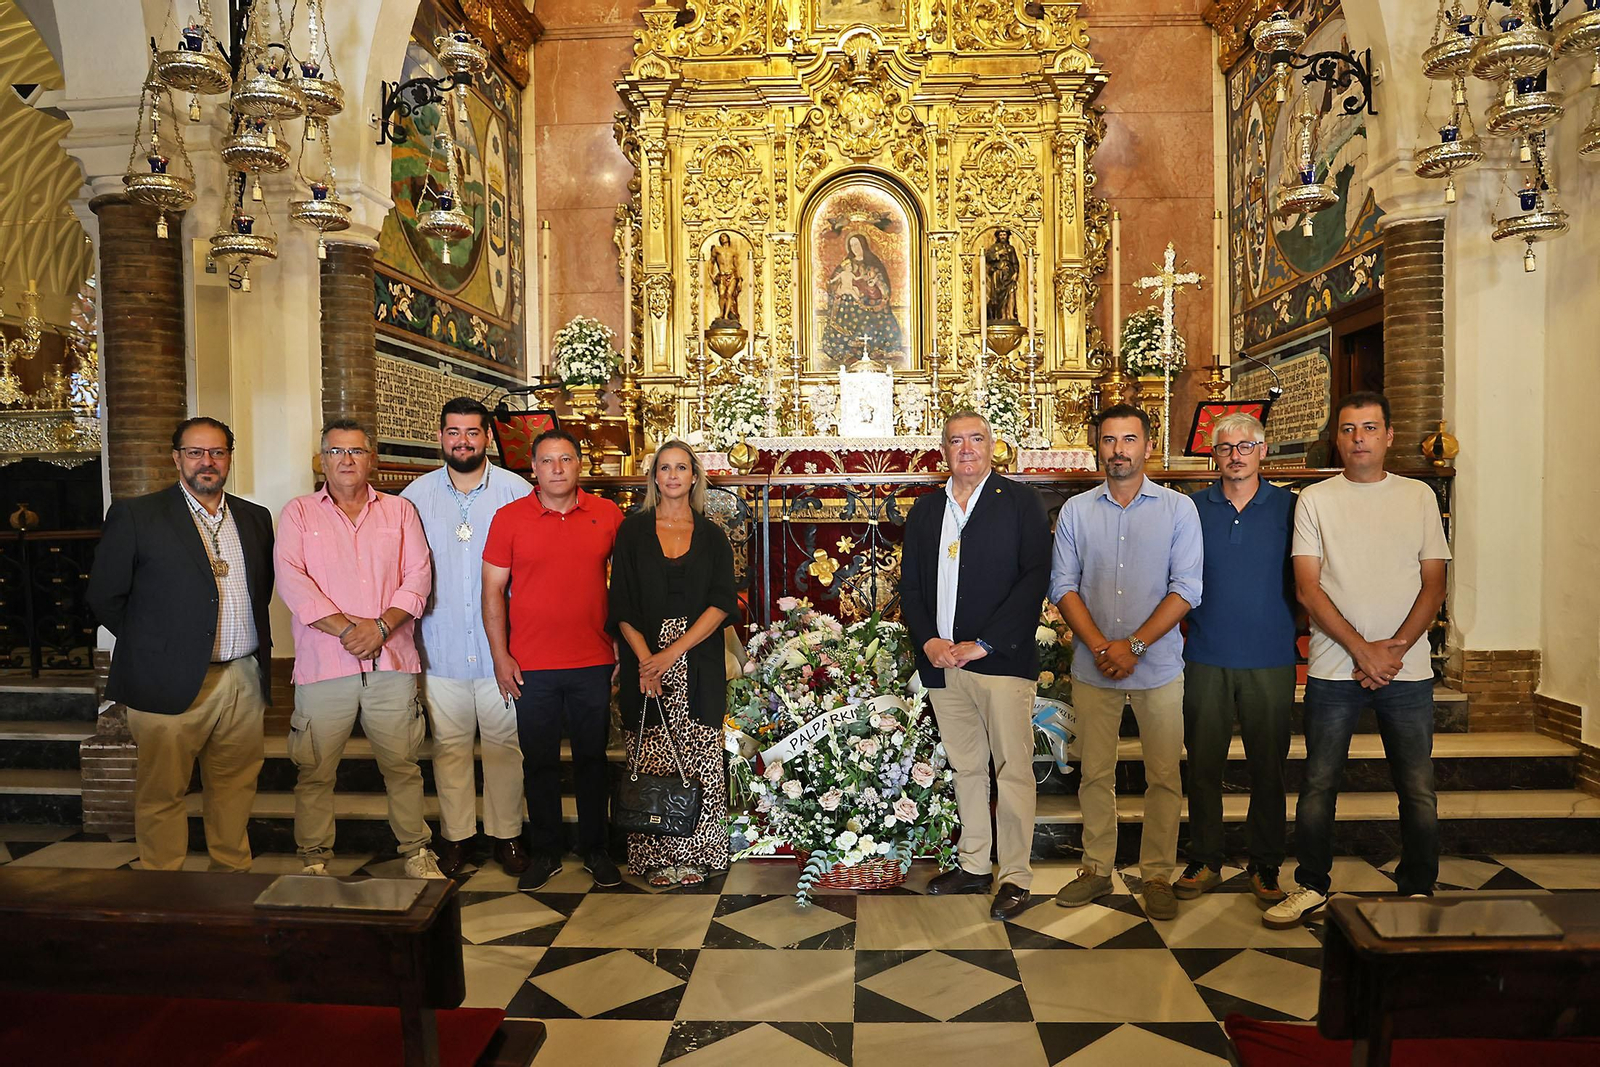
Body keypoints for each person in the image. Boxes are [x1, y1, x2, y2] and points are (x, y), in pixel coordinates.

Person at [1264, 392, 1450, 929]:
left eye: (1370, 428)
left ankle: (1418, 887)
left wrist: (1390, 651)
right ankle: (1311, 886)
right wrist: (1362, 650)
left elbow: (1433, 584)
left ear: (1388, 436)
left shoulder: (1416, 496)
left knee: (1417, 787)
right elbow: (1307, 587)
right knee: (1319, 784)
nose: (1359, 438)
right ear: (1337, 438)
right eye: (1348, 429)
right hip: (1333, 666)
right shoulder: (1315, 499)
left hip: (1407, 670)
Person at [86, 417, 275, 872]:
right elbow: (104, 596)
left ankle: (230, 881)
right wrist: (157, 647)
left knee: (234, 787)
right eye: (195, 452)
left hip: (241, 678)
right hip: (164, 681)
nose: (206, 462)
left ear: (230, 457)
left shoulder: (254, 517)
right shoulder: (138, 515)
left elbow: (261, 589)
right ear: (176, 458)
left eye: (217, 452)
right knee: (162, 792)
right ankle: (163, 888)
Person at [1050, 404, 1202, 921]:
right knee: (1095, 773)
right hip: (1095, 667)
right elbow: (1063, 586)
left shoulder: (1179, 510)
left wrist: (1133, 646)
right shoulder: (1076, 511)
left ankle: (1156, 872)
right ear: (1099, 447)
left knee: (1164, 774)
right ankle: (1096, 868)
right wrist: (1099, 647)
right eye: (1110, 440)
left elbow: (1186, 589)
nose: (1119, 449)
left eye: (1129, 439)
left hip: (1157, 666)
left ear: (1147, 445)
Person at [275, 418, 443, 879]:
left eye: (355, 452)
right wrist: (352, 630)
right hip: (325, 663)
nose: (345, 460)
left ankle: (415, 852)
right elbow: (293, 581)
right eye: (335, 452)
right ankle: (313, 859)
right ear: (322, 460)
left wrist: (382, 628)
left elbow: (418, 577)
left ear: (371, 459)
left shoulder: (399, 512)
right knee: (314, 771)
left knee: (402, 765)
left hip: (391, 661)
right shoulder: (299, 513)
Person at [900, 410, 1051, 922]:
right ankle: (974, 864)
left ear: (993, 446)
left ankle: (1013, 876)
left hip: (999, 660)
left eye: (976, 439)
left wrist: (983, 643)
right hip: (945, 663)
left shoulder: (1020, 502)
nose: (966, 449)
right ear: (942, 450)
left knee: (1011, 770)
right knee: (966, 767)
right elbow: (912, 588)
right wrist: (929, 643)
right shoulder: (925, 510)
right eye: (955, 441)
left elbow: (1035, 577)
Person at [483, 429, 625, 891]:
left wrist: (622, 647)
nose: (557, 469)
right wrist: (500, 655)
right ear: (534, 469)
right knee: (538, 761)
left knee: (591, 758)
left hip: (592, 659)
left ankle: (595, 848)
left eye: (566, 459)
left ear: (579, 465)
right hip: (532, 664)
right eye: (547, 461)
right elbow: (492, 592)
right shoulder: (509, 518)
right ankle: (544, 850)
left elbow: (625, 589)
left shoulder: (606, 515)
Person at [401, 397, 533, 877]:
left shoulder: (516, 491)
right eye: (453, 432)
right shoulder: (416, 497)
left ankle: (507, 835)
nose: (463, 441)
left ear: (488, 438)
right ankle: (457, 838)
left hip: (504, 649)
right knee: (449, 746)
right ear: (441, 437)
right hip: (440, 644)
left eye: (473, 432)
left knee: (504, 744)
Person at [1177, 412, 1296, 907]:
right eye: (1225, 448)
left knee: (1268, 766)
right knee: (1203, 763)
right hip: (1207, 653)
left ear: (1263, 450)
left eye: (1245, 446)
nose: (1235, 456)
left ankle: (1265, 864)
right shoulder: (1191, 508)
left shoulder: (1291, 507)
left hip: (1270, 654)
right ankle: (1205, 856)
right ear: (1214, 454)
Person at [608, 442, 740, 887]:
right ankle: (656, 856)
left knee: (700, 753)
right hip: (643, 657)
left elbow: (722, 603)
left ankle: (700, 853)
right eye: (664, 468)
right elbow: (620, 602)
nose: (672, 475)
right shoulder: (633, 531)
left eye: (681, 467)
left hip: (696, 656)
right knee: (652, 754)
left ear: (694, 477)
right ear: (654, 477)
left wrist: (670, 653)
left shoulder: (712, 535)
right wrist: (647, 660)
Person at [985, 228, 1021, 323]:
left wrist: (1016, 272)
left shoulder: (1011, 248)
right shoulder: (994, 247)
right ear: (998, 236)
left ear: (1007, 236)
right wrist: (998, 254)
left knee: (1011, 293)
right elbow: (988, 257)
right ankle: (1001, 314)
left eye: (1004, 235)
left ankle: (1011, 314)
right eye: (1001, 235)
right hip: (998, 274)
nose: (1002, 237)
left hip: (1009, 273)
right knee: (998, 295)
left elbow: (1015, 262)